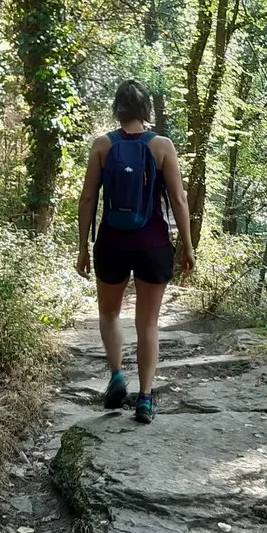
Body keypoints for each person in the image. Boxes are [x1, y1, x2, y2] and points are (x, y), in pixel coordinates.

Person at [76, 80, 195, 423]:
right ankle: (145, 398)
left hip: (111, 243)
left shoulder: (102, 145)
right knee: (148, 323)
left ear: (118, 108)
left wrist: (83, 245)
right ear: (146, 111)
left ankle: (116, 375)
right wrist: (187, 246)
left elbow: (87, 199)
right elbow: (179, 199)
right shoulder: (162, 146)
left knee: (110, 314)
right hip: (153, 244)